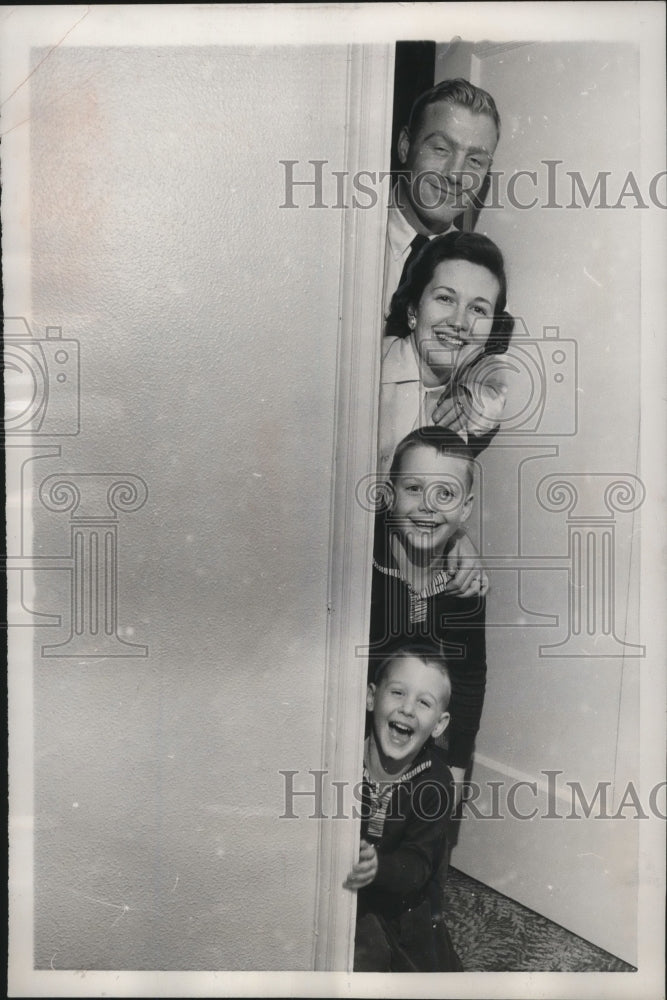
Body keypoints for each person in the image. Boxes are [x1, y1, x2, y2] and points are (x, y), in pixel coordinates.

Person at [368, 426, 486, 796]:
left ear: (465, 508)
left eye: (445, 494)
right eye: (414, 488)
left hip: (419, 742)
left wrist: (457, 764)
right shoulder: (366, 558)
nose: (427, 506)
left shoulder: (464, 585)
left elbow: (468, 678)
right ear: (390, 494)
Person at [343, 645, 462, 972]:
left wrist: (378, 867)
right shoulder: (343, 754)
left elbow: (418, 865)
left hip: (402, 909)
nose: (407, 709)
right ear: (371, 697)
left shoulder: (435, 784)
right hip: (343, 892)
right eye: (397, 692)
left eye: (424, 702)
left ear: (439, 725)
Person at [378, 230, 515, 475]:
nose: (458, 322)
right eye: (445, 298)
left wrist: (472, 399)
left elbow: (496, 389)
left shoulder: (472, 394)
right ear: (413, 309)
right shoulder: (370, 365)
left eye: (478, 309)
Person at [383, 78, 501, 316]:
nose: (455, 174)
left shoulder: (482, 275)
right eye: (441, 149)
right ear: (405, 146)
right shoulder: (347, 243)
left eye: (475, 161)